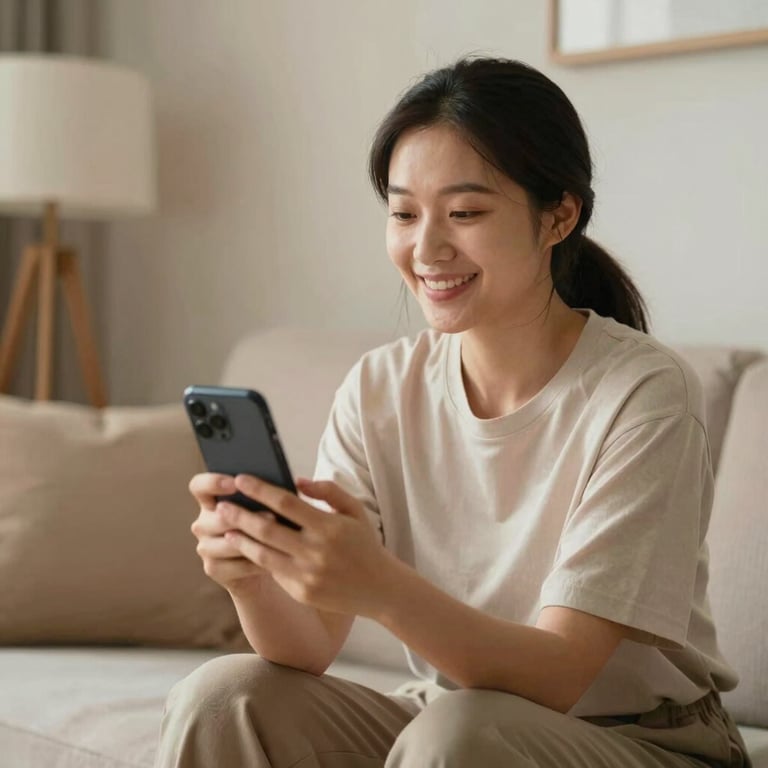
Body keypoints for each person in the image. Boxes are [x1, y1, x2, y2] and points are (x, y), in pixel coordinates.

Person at [154, 57, 751, 767]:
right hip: (453, 721)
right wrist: (249, 575)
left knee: (459, 736)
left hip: (649, 741)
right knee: (226, 697)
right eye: (404, 213)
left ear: (559, 215)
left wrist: (379, 583)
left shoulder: (644, 394)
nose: (426, 247)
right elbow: (307, 645)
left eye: (465, 213)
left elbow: (559, 676)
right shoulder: (380, 388)